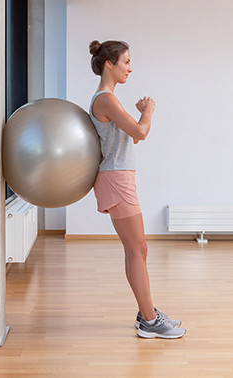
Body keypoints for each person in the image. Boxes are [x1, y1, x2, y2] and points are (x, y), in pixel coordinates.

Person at [89, 40, 186, 339]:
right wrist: (149, 111)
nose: (130, 68)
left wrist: (141, 118)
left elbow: (137, 137)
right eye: (126, 62)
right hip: (116, 179)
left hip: (121, 177)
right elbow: (141, 131)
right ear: (110, 64)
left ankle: (147, 312)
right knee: (136, 249)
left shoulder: (109, 99)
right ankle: (149, 320)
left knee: (138, 249)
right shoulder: (106, 99)